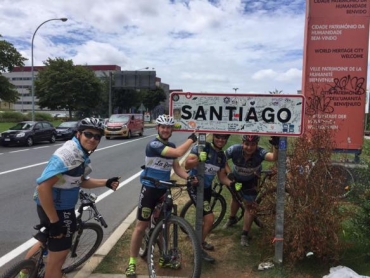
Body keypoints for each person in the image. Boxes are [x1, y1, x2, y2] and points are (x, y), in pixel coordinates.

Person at [20, 117, 120, 278]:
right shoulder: (69, 156)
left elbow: (78, 181)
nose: (92, 139)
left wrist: (106, 182)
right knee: (57, 261)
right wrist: (55, 222)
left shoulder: (78, 152)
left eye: (97, 136)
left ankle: (23, 274)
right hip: (58, 210)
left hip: (49, 206)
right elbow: (43, 186)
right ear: (78, 134)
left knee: (45, 241)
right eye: (88, 134)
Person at [125, 114, 198, 278]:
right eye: (163, 127)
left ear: (171, 130)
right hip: (150, 189)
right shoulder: (154, 144)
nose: (166, 130)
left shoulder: (170, 145)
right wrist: (192, 138)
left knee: (165, 225)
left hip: (164, 189)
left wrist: (189, 177)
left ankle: (164, 256)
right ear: (158, 128)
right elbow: (180, 151)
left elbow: (177, 168)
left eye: (168, 127)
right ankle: (131, 264)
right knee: (140, 227)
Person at [184, 133, 234, 263]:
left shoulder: (221, 156)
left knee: (203, 219)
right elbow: (187, 165)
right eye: (218, 137)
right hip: (194, 186)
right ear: (213, 137)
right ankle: (198, 248)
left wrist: (232, 184)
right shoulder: (202, 147)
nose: (220, 140)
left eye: (224, 138)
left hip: (206, 189)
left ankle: (200, 240)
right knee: (209, 219)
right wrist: (199, 160)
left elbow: (222, 177)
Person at [223, 135, 279, 247]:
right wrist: (229, 172)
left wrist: (276, 146)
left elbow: (273, 157)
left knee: (249, 206)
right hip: (237, 178)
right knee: (235, 198)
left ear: (257, 145)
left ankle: (245, 234)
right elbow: (222, 157)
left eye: (253, 144)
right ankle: (232, 218)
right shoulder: (235, 149)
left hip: (252, 180)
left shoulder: (260, 152)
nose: (249, 147)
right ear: (242, 143)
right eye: (247, 144)